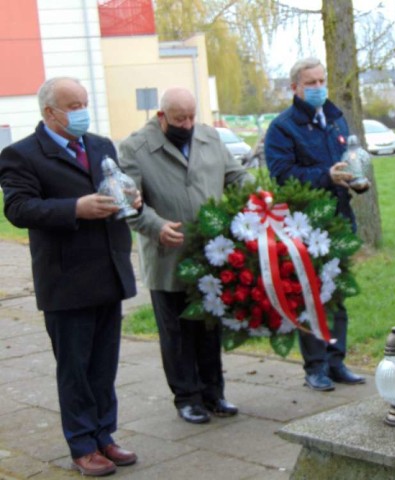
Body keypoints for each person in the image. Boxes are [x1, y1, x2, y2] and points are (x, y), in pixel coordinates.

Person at [0, 77, 139, 477]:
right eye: (72, 105)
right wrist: (74, 208)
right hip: (66, 279)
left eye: (84, 102)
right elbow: (19, 209)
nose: (82, 111)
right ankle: (82, 445)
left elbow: (117, 186)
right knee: (75, 368)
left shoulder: (100, 145)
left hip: (108, 272)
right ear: (49, 113)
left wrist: (131, 198)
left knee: (104, 365)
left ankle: (104, 436)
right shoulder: (22, 154)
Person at [119, 87, 253, 424]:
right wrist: (155, 226)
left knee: (209, 328)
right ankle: (187, 397)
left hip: (212, 254)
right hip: (169, 257)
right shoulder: (135, 148)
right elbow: (127, 203)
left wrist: (254, 191)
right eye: (180, 118)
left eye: (192, 116)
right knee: (177, 333)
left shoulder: (209, 137)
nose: (188, 124)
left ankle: (213, 392)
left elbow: (234, 175)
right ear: (162, 116)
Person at [264, 57, 366, 392]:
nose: (319, 88)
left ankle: (337, 362)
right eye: (311, 83)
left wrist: (354, 181)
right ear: (294, 87)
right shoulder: (282, 128)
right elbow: (283, 176)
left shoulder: (336, 120)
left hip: (338, 221)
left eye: (322, 81)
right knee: (310, 296)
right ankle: (316, 367)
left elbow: (347, 164)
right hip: (305, 225)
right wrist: (327, 176)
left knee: (336, 294)